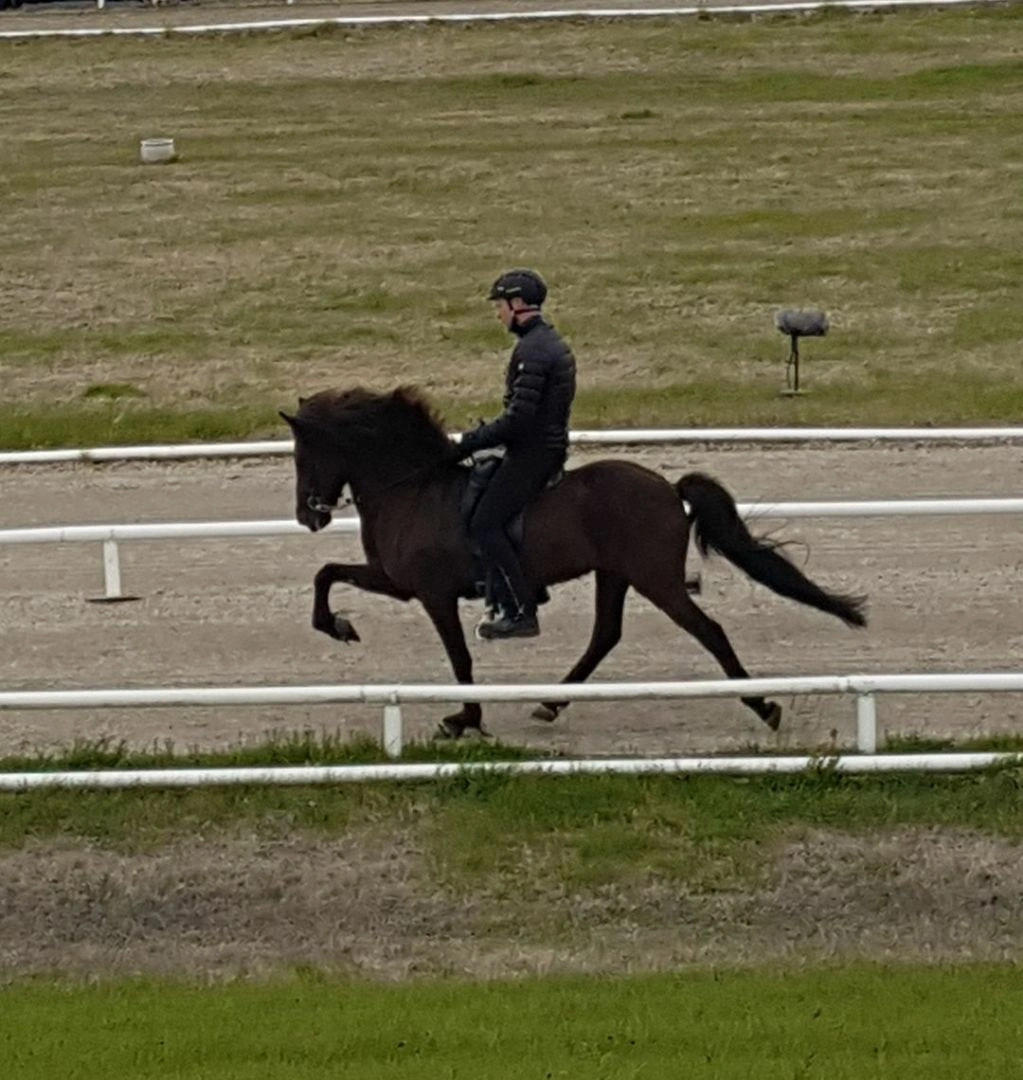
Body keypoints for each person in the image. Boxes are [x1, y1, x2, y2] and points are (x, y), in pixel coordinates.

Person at [453, 268, 577, 639]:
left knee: (485, 524)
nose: (498, 314)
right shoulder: (546, 342)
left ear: (518, 304)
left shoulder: (533, 351)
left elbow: (519, 419)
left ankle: (522, 610)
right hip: (542, 447)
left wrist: (473, 440)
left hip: (533, 455)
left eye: (500, 306)